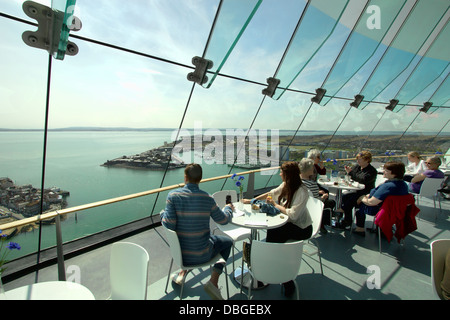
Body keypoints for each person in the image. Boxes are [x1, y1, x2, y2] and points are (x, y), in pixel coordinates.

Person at [161, 163, 234, 300]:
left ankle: (182, 272)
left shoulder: (173, 196)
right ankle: (213, 281)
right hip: (202, 255)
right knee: (228, 242)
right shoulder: (207, 198)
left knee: (187, 236)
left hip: (181, 255)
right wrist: (228, 208)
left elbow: (169, 225)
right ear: (200, 178)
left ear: (185, 177)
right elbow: (223, 220)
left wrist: (162, 215)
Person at [243, 161, 312, 296]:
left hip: (302, 228)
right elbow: (272, 193)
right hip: (288, 224)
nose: (280, 174)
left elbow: (293, 214)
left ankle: (272, 270)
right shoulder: (286, 185)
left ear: (288, 175)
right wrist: (252, 200)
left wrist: (274, 204)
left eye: (281, 172)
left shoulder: (302, 191)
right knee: (273, 233)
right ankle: (271, 267)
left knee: (274, 233)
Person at [353, 161, 409, 236]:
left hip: (380, 210)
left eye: (386, 170)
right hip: (396, 211)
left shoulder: (388, 186)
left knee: (357, 205)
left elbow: (371, 202)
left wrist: (362, 198)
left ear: (394, 173)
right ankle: (382, 230)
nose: (383, 171)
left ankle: (360, 228)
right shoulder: (403, 184)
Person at [337, 151, 378, 229]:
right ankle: (347, 220)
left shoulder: (372, 171)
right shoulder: (357, 167)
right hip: (356, 190)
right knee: (345, 196)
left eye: (360, 159)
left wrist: (351, 173)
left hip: (366, 192)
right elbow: (354, 176)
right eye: (357, 159)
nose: (357, 161)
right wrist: (349, 173)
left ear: (367, 160)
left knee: (355, 200)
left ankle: (345, 212)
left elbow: (363, 179)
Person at [299, 158, 335, 234]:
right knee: (331, 202)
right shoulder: (312, 184)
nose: (314, 170)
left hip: (301, 208)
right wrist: (323, 197)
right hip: (312, 208)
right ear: (309, 170)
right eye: (312, 168)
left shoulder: (297, 182)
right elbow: (316, 201)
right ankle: (322, 223)